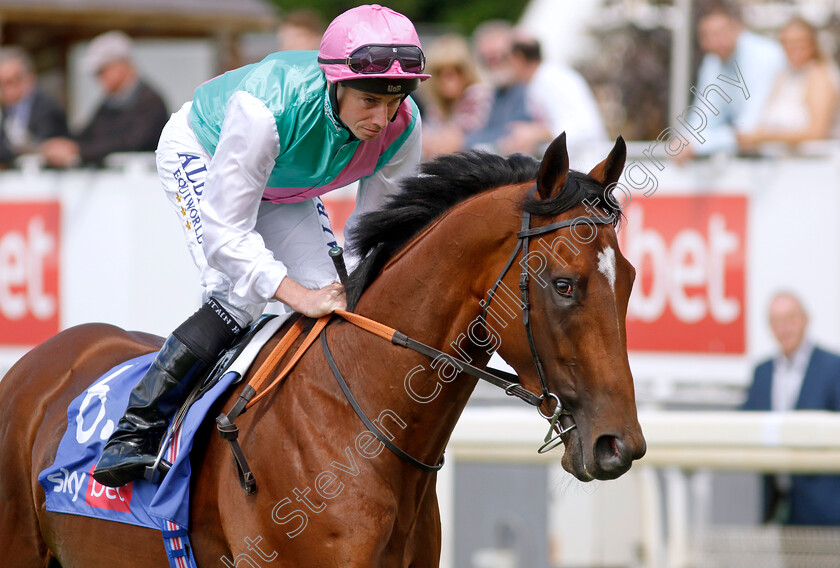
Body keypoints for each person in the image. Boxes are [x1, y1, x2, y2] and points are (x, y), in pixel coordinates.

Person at [92, 4, 429, 488]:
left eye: (395, 100)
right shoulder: (266, 110)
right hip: (204, 150)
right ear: (335, 83)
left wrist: (338, 291)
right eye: (369, 101)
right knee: (239, 291)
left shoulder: (405, 125)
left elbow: (374, 232)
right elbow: (226, 236)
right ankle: (139, 427)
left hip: (284, 182)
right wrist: (296, 295)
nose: (383, 118)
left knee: (334, 298)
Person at [742, 291, 840, 525]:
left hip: (826, 510)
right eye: (776, 321)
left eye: (790, 319)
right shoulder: (763, 373)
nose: (784, 328)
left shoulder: (832, 368)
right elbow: (743, 423)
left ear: (805, 319)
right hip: (780, 505)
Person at [40, 31, 169, 168]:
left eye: (102, 71)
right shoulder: (109, 104)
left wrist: (78, 149)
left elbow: (131, 143)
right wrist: (63, 145)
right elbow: (88, 135)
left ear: (121, 66)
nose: (98, 78)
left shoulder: (150, 102)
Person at [676, 3, 785, 161]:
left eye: (719, 33)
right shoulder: (712, 61)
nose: (713, 41)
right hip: (752, 162)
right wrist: (685, 140)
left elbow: (750, 129)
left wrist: (696, 144)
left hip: (783, 159)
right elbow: (704, 115)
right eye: (707, 35)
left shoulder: (766, 56)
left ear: (737, 28)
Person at [498, 32, 608, 158]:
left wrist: (534, 133)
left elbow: (584, 129)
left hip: (586, 165)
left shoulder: (553, 81)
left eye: (503, 58)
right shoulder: (540, 81)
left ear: (518, 59)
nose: (498, 66)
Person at [738, 17, 840, 151]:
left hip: (814, 163)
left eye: (799, 42)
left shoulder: (819, 76)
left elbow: (817, 133)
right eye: (787, 42)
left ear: (812, 44)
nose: (793, 48)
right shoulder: (783, 76)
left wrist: (765, 137)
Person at [464, 20, 533, 152]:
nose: (494, 65)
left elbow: (513, 134)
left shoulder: (529, 88)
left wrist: (461, 141)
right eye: (487, 59)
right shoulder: (499, 91)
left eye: (500, 57)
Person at [419, 34, 491, 159]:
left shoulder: (478, 95)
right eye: (440, 72)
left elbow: (460, 137)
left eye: (457, 70)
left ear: (468, 71)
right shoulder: (436, 104)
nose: (449, 79)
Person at [0, 46, 68, 168]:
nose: (7, 90)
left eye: (12, 82)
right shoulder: (6, 111)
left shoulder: (47, 108)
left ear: (28, 77)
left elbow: (49, 147)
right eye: (2, 84)